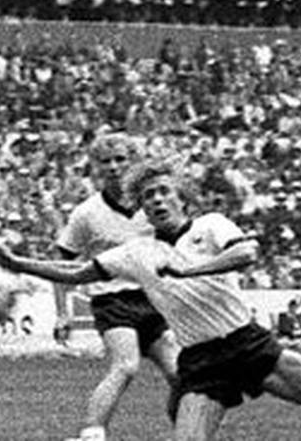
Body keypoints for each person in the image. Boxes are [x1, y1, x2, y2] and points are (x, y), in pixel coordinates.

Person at [0, 157, 301, 441]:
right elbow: (77, 271)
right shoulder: (136, 252)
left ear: (182, 198)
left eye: (164, 191)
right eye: (148, 196)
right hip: (202, 361)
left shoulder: (212, 225)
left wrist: (190, 270)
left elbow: (246, 252)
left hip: (248, 343)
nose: (158, 199)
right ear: (142, 210)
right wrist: (15, 261)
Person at [52, 133, 179, 441]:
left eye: (121, 159)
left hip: (154, 298)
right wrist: (61, 313)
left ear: (133, 162)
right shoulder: (86, 213)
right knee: (126, 364)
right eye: (105, 161)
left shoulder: (154, 204)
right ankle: (91, 434)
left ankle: (188, 432)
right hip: (112, 300)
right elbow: (62, 263)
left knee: (181, 374)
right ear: (95, 167)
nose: (113, 167)